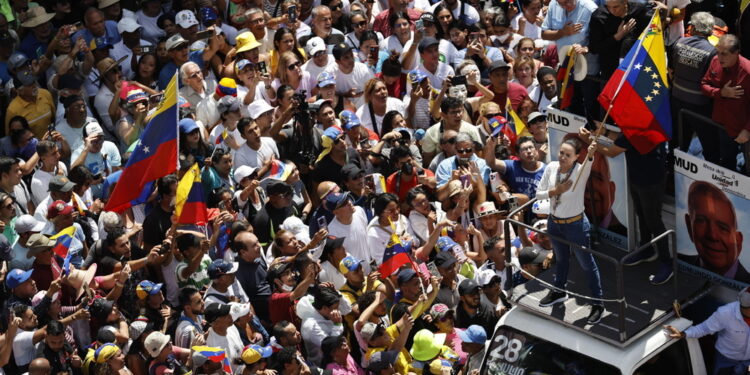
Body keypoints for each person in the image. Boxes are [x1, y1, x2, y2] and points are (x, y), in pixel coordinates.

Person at [534, 137, 604, 324]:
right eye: (562, 153)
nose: (563, 157)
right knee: (561, 258)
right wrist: (556, 191)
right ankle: (559, 291)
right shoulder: (551, 168)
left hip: (576, 225)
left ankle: (598, 303)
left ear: (576, 157)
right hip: (554, 222)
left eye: (568, 155)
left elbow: (589, 159)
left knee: (586, 264)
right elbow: (538, 194)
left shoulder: (580, 171)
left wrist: (591, 152)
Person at [665, 287, 750, 374]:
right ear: (744, 306)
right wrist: (683, 334)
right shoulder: (725, 314)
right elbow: (704, 328)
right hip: (725, 361)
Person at [679, 181, 748, 283]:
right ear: (689, 226)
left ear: (738, 240)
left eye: (723, 228)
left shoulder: (747, 286)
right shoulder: (679, 263)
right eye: (701, 221)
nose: (712, 235)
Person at [700, 34, 750, 175]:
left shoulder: (747, 72)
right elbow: (704, 85)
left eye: (724, 54)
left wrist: (747, 130)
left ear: (736, 52)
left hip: (743, 130)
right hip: (722, 125)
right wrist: (721, 92)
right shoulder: (715, 61)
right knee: (727, 161)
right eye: (718, 52)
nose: (719, 57)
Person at [671, 12, 717, 160]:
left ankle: (672, 171)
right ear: (710, 30)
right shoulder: (712, 52)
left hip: (676, 100)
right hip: (699, 106)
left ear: (692, 28)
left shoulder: (679, 43)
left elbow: (672, 69)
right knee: (709, 144)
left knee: (678, 141)